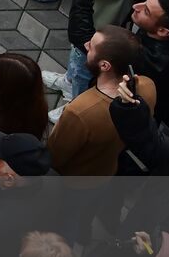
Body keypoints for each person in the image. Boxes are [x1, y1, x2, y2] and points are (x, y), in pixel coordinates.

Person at [46, 26, 156, 175]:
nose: (85, 45)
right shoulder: (147, 85)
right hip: (107, 169)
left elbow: (55, 155)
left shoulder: (80, 111)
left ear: (104, 65)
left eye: (91, 47)